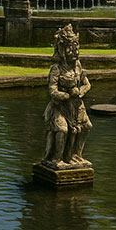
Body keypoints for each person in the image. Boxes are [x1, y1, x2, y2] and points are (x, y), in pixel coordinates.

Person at [42, 24, 92, 168]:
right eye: (71, 49)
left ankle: (76, 155)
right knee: (63, 130)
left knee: (86, 126)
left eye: (76, 49)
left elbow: (87, 84)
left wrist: (80, 91)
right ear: (63, 50)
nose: (75, 52)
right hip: (60, 107)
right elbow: (52, 91)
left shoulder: (78, 65)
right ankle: (56, 159)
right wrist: (66, 95)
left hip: (76, 105)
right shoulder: (56, 68)